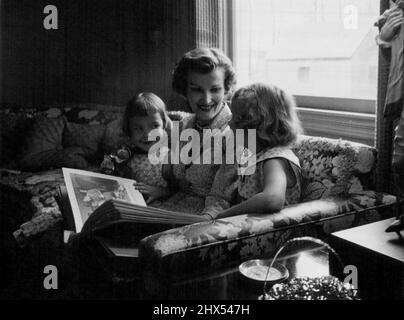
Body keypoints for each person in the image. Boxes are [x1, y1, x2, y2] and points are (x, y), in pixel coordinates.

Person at [203, 83, 303, 220]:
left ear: (259, 126)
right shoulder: (254, 157)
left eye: (237, 120)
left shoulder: (274, 160)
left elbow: (272, 199)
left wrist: (225, 215)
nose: (230, 125)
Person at [156, 47, 237, 214]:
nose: (206, 99)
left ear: (227, 89)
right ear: (184, 90)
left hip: (203, 223)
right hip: (170, 208)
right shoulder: (185, 124)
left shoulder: (238, 134)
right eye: (197, 89)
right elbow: (177, 181)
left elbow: (223, 200)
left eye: (215, 90)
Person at [101, 92, 172, 204]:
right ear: (128, 131)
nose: (147, 134)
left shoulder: (168, 158)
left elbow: (179, 189)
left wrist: (160, 192)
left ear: (164, 124)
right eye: (138, 128)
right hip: (131, 205)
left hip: (161, 207)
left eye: (154, 126)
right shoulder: (126, 154)